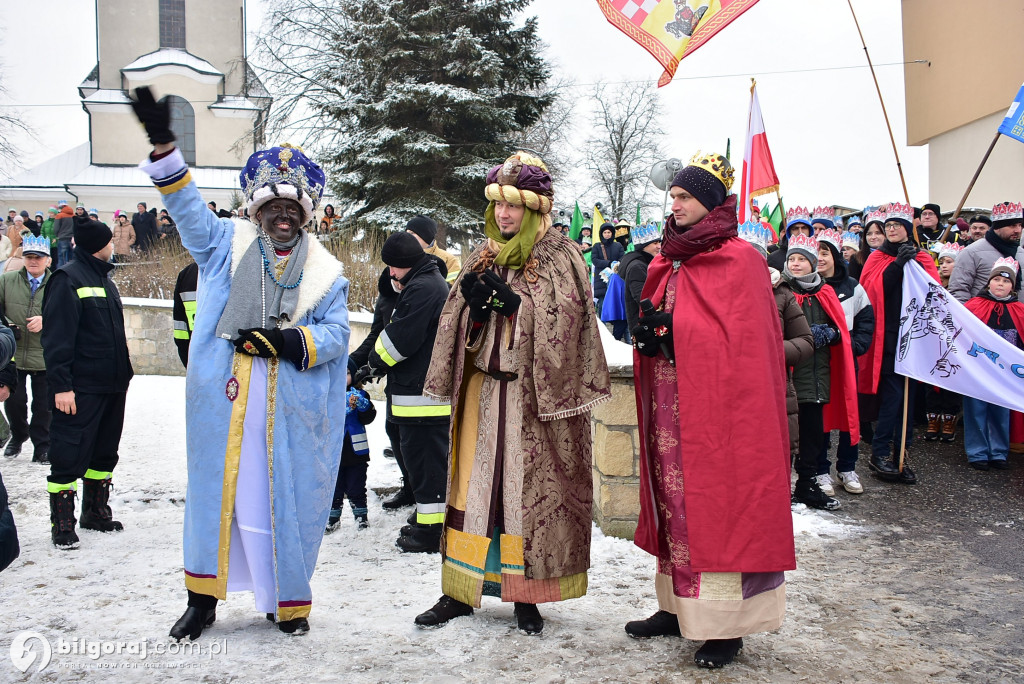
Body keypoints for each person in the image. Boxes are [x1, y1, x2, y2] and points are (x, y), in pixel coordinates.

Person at [130, 86, 351, 639]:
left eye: (292, 208)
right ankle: (201, 601)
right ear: (257, 210)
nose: (282, 216)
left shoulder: (327, 272)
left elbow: (338, 334)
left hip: (288, 416)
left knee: (284, 505)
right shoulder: (223, 246)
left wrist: (287, 342)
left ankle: (284, 601)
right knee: (216, 500)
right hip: (224, 404)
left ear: (304, 215)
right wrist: (166, 151)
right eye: (273, 207)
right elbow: (187, 211)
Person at [414, 151, 610, 635]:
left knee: (524, 497)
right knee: (473, 490)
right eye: (498, 205)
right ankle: (460, 590)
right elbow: (455, 326)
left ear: (536, 209)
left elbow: (571, 326)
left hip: (533, 401)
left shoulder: (561, 256)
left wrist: (517, 308)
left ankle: (526, 596)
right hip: (482, 395)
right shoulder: (482, 255)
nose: (503, 214)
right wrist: (477, 315)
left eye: (514, 206)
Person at [626, 152, 795, 669]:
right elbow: (669, 320)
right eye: (673, 196)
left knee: (718, 507)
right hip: (671, 407)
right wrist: (651, 334)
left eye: (684, 197)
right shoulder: (669, 257)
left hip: (721, 415)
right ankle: (677, 607)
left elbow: (744, 345)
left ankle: (725, 627)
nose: (674, 205)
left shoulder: (739, 259)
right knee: (674, 502)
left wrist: (675, 333)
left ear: (710, 201)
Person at [42, 215, 133, 550]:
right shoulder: (67, 279)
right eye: (109, 241)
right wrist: (61, 387)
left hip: (112, 384)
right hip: (80, 388)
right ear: (99, 246)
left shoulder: (105, 279)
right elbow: (57, 339)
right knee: (68, 453)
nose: (113, 245)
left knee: (104, 453)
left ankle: (95, 512)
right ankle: (62, 524)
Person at [361, 231, 450, 553]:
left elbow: (400, 339)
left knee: (427, 467)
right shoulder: (425, 283)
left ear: (405, 264)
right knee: (422, 465)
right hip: (418, 396)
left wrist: (371, 365)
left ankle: (431, 533)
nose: (391, 274)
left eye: (393, 267)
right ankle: (427, 522)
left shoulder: (423, 288)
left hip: (422, 399)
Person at [858, 203, 940, 485]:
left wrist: (914, 265)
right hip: (889, 336)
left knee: (908, 399)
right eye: (888, 226)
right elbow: (873, 290)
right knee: (894, 397)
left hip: (914, 336)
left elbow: (934, 294)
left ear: (907, 228)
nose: (891, 229)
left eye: (896, 225)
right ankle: (881, 452)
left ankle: (901, 454)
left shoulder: (922, 257)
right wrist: (898, 265)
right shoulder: (877, 258)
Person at [816, 229, 874, 496]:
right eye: (815, 253)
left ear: (835, 256)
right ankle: (820, 470)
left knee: (850, 415)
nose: (819, 258)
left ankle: (847, 468)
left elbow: (866, 321)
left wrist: (854, 346)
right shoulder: (807, 286)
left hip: (847, 361)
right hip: (817, 363)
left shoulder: (852, 287)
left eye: (825, 253)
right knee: (820, 417)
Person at [347, 267, 406, 508]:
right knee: (394, 431)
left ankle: (427, 493)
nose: (397, 283)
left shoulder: (421, 291)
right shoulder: (386, 295)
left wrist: (375, 364)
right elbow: (376, 336)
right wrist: (352, 364)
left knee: (416, 439)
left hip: (420, 379)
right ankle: (410, 486)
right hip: (395, 378)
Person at [962, 258, 1024, 471]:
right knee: (976, 409)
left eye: (1006, 281)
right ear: (989, 282)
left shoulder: (1019, 310)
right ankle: (977, 452)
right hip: (978, 368)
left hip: (1005, 372)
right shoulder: (974, 306)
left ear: (1012, 286)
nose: (1000, 284)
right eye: (997, 279)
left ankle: (998, 451)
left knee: (1001, 411)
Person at [0, 236, 53, 463]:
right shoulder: (6, 280)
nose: (33, 261)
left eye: (38, 258)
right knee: (14, 402)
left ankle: (42, 445)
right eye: (29, 257)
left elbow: (68, 314)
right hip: (14, 354)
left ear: (48, 260)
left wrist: (45, 320)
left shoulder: (58, 283)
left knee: (44, 405)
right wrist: (7, 326)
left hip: (44, 354)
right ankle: (19, 435)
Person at [923, 241, 965, 442]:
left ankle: (949, 420)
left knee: (951, 380)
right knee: (932, 382)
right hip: (934, 340)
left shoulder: (961, 290)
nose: (944, 266)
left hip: (953, 342)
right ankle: (933, 419)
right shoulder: (931, 285)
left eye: (950, 262)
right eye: (942, 262)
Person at [326, 369, 376, 531]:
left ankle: (361, 517)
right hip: (333, 453)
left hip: (356, 453)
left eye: (347, 372)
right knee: (334, 488)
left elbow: (368, 418)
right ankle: (332, 518)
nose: (342, 375)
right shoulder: (326, 394)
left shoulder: (361, 395)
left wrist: (363, 406)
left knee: (356, 486)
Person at [948, 202, 1024, 304]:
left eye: (1020, 225)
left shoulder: (1021, 253)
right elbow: (959, 290)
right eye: (1012, 225)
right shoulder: (971, 252)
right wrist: (967, 314)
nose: (1018, 230)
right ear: (998, 226)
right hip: (980, 313)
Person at [619, 221, 662, 333]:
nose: (659, 246)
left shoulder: (646, 263)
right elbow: (644, 300)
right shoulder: (637, 267)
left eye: (659, 242)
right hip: (644, 327)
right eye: (655, 243)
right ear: (644, 246)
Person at [405, 214, 461, 284]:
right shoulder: (402, 257)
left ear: (425, 235)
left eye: (412, 233)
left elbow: (455, 286)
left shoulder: (449, 260)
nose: (407, 236)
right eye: (407, 233)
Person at [592, 222, 624, 313]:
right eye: (605, 232)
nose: (607, 234)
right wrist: (609, 263)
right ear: (601, 234)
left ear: (612, 233)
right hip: (601, 278)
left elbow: (622, 258)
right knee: (603, 304)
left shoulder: (618, 245)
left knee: (616, 302)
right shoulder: (597, 246)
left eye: (609, 232)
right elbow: (595, 260)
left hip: (615, 276)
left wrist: (616, 265)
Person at [767, 206, 813, 271]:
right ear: (789, 232)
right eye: (795, 229)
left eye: (804, 228)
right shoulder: (773, 259)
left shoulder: (819, 254)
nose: (800, 232)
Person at [171, 260, 199, 368]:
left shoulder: (187, 274)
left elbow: (181, 334)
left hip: (197, 363)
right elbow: (181, 331)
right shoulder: (234, 270)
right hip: (235, 366)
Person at [53, 204, 75, 268]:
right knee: (72, 258)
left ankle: (61, 272)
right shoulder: (74, 215)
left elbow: (56, 228)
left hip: (63, 238)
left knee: (62, 258)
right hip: (72, 239)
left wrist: (57, 235)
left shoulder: (59, 215)